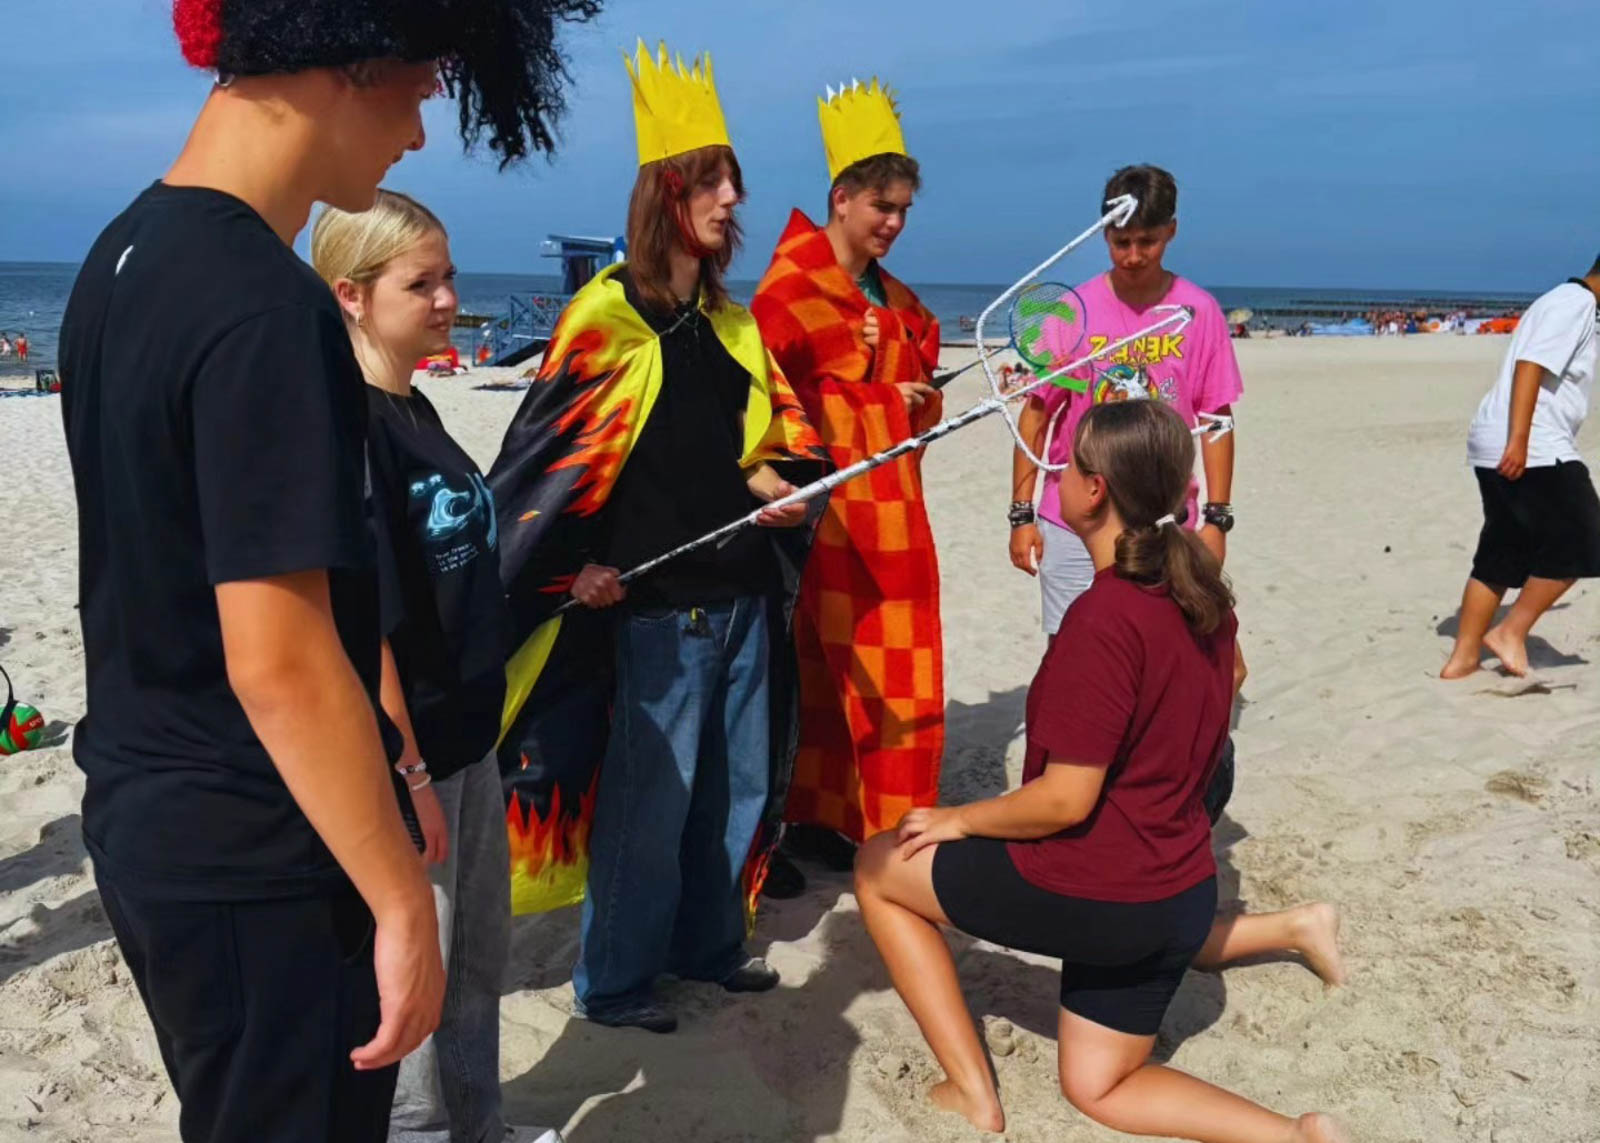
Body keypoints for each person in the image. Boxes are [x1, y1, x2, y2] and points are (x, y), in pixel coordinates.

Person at [56, 2, 594, 1139]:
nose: (419, 132)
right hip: (258, 849)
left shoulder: (122, 253)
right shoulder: (265, 302)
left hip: (151, 812)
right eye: (419, 88)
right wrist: (400, 900)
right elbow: (282, 660)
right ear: (349, 61)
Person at [855, 400, 1346, 1142]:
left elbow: (1064, 800)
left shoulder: (1104, 616)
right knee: (1098, 1084)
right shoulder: (1203, 591)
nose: (1055, 473)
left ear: (1093, 491)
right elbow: (1231, 679)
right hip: (1181, 891)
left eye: (1066, 463)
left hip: (1107, 899)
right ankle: (1295, 1135)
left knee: (878, 867)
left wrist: (959, 819)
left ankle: (972, 1092)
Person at [488, 41, 827, 1035]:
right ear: (665, 193)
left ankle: (709, 947)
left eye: (733, 182)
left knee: (736, 791)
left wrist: (780, 490)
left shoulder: (728, 321)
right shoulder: (605, 318)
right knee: (649, 807)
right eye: (712, 181)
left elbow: (751, 450)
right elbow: (546, 469)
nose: (732, 199)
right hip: (657, 615)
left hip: (741, 597)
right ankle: (615, 982)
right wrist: (571, 569)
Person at [312, 191, 558, 1143]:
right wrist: (409, 771)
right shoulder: (350, 425)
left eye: (449, 276)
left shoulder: (413, 404)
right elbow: (359, 622)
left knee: (478, 962)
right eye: (423, 283)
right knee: (419, 977)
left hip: (468, 736)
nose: (451, 298)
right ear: (352, 294)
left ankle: (481, 1127)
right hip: (408, 755)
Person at [751, 78, 944, 890]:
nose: (893, 223)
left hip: (886, 516)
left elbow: (923, 381)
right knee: (804, 675)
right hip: (813, 517)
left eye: (903, 209)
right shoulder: (789, 289)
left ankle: (839, 818)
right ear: (841, 197)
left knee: (879, 673)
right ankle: (779, 831)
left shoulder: (892, 298)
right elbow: (767, 404)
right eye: (880, 206)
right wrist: (880, 395)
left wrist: (893, 357)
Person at [1009, 165, 1242, 637]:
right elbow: (1036, 416)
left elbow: (1216, 418)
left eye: (1147, 241)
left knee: (1168, 646)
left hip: (1165, 520)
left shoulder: (1198, 312)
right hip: (1076, 521)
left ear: (1171, 230)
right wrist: (1021, 515)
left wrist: (1217, 519)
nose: (1133, 256)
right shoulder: (1071, 312)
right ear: (1104, 233)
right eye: (1121, 242)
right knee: (1074, 647)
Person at [1441, 260, 1600, 679]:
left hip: (1496, 440)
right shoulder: (1576, 303)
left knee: (1503, 551)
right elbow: (1530, 364)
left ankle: (1463, 658)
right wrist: (1520, 439)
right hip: (1533, 444)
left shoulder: (1566, 302)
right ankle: (1510, 632)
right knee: (1584, 541)